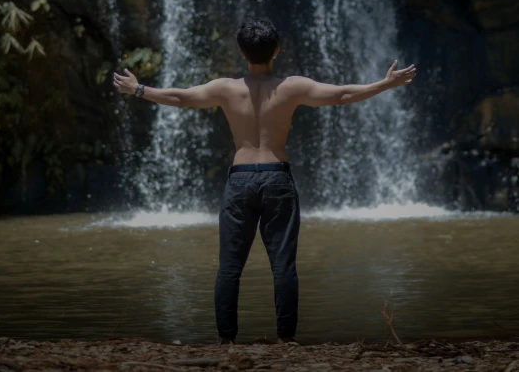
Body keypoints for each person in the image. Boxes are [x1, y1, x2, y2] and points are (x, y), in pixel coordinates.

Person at [113, 17, 416, 345]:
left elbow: (181, 98)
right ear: (277, 51)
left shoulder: (225, 89)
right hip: (277, 178)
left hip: (240, 180)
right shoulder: (292, 87)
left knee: (229, 266)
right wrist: (385, 84)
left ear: (242, 53)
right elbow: (342, 95)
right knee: (283, 265)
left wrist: (139, 89)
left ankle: (226, 341)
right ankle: (286, 340)